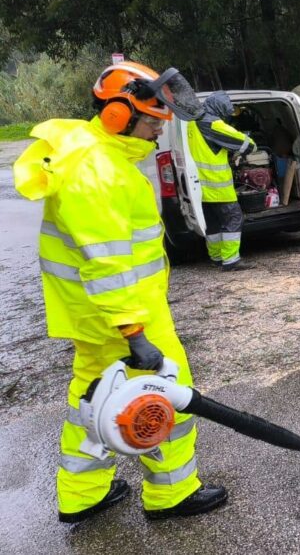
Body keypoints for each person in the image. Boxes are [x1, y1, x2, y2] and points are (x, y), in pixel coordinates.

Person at [14, 61, 228, 523]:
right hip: (125, 318)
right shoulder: (97, 171)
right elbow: (105, 262)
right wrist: (134, 332)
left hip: (96, 316)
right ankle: (172, 493)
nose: (156, 133)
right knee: (168, 395)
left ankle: (82, 493)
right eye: (152, 122)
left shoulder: (93, 153)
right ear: (116, 114)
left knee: (91, 400)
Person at [187, 92, 257, 271]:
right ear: (219, 110)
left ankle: (216, 257)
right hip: (218, 186)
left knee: (213, 223)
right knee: (233, 218)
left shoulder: (192, 123)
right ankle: (231, 259)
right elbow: (247, 145)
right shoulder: (213, 124)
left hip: (198, 188)